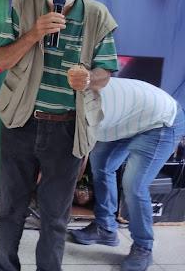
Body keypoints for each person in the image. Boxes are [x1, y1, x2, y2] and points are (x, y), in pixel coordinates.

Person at [0, 0, 118, 271]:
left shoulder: (98, 16)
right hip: (20, 122)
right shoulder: (23, 6)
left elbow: (106, 72)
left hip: (67, 128)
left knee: (55, 217)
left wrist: (88, 79)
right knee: (9, 210)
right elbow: (1, 60)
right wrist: (34, 33)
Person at [69, 77, 185, 271]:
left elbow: (79, 151)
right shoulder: (75, 99)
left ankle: (143, 247)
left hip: (162, 121)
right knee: (101, 164)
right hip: (127, 118)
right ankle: (105, 228)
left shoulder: (92, 109)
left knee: (134, 185)